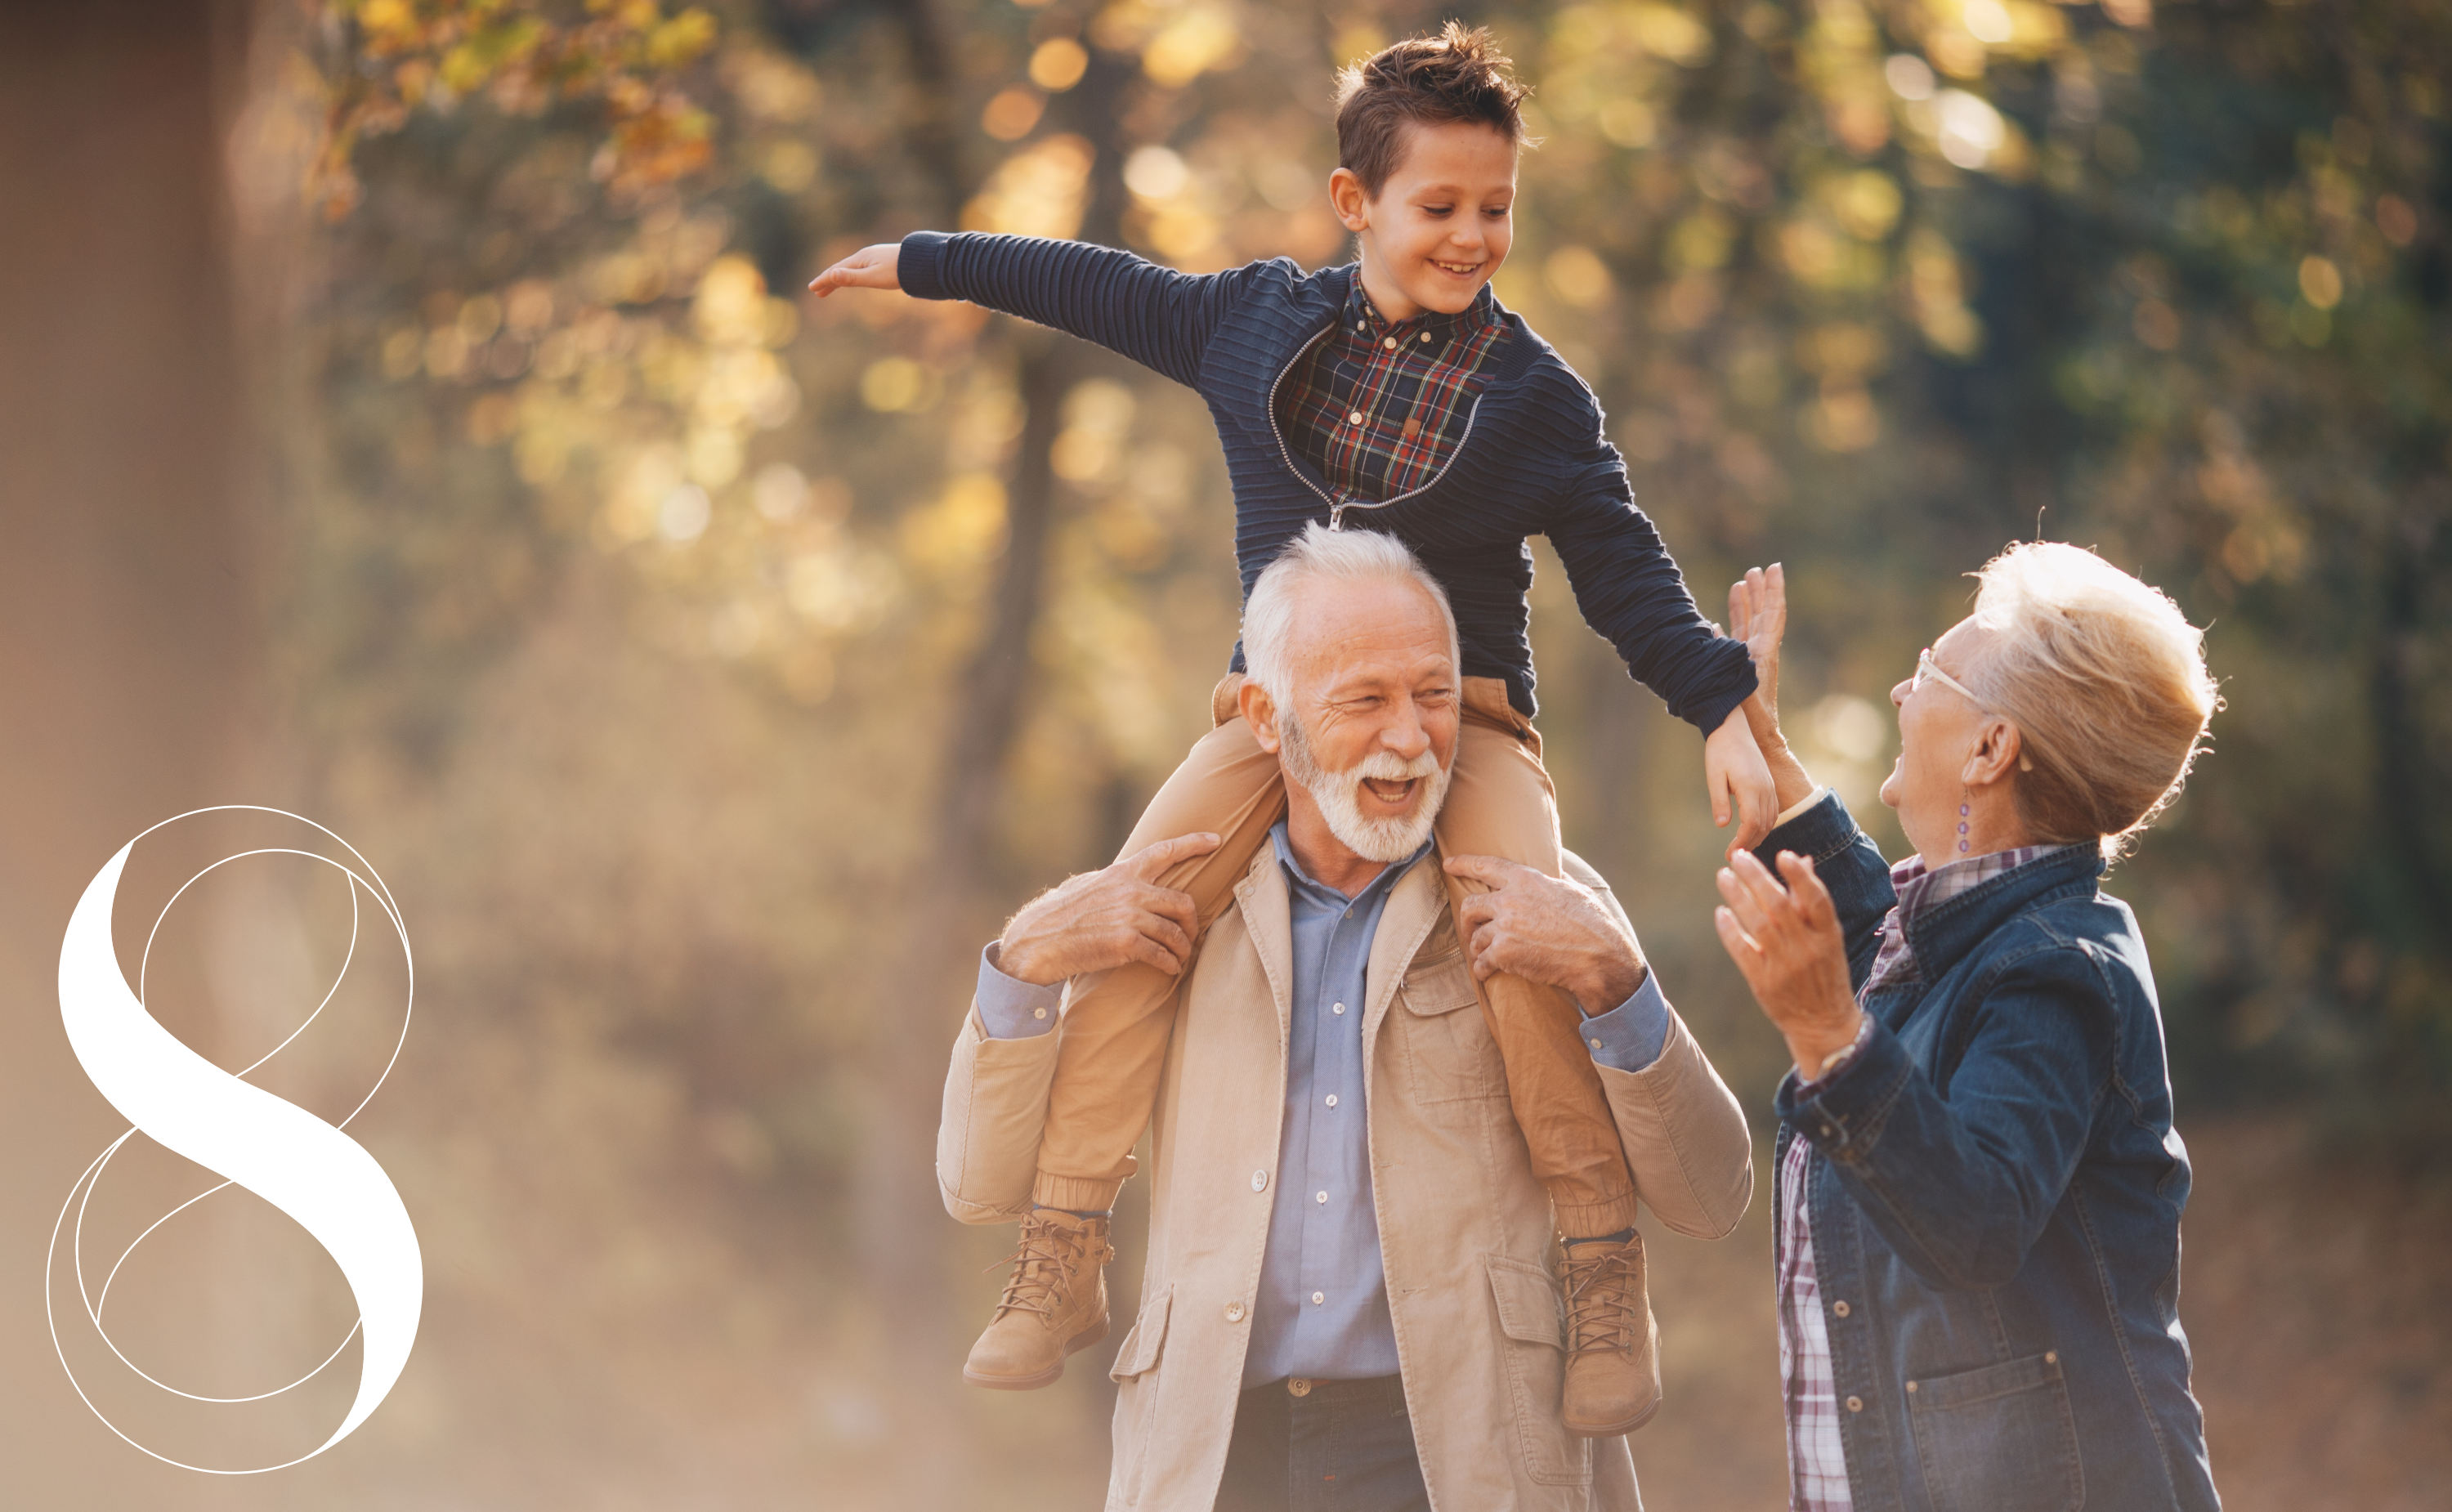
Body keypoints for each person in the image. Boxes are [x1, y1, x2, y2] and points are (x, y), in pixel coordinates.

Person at [816, 24, 1770, 1428]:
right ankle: (1065, 1243)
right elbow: (1091, 283)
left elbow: (1624, 571)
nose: (1473, 237)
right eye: (1439, 206)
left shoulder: (1536, 401)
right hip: (1275, 715)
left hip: (1466, 720)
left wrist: (1721, 703)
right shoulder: (1252, 324)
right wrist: (925, 259)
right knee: (1139, 909)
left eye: (1496, 207)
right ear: (1354, 202)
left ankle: (1598, 1269)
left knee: (1521, 934)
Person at [936, 525, 1753, 1510]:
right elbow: (976, 1182)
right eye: (1365, 700)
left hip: (1464, 1459)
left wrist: (1620, 981)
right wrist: (1024, 960)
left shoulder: (1539, 896)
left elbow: (1711, 1195)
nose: (1410, 736)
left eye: (1434, 694)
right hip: (1211, 1459)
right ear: (1264, 715)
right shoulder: (1175, 913)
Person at [1472, 546, 2226, 1510]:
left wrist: (1830, 1031)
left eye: (1931, 670)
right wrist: (1765, 742)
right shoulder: (1962, 936)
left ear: (1990, 749)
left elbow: (1976, 1222)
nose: (1904, 690)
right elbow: (1874, 930)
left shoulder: (2059, 972)